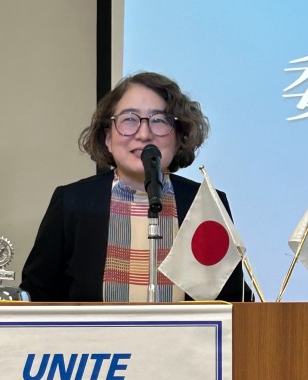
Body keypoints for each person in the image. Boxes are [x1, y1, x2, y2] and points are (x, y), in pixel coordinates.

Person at [20, 71, 254, 303]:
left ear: (179, 137)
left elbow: (234, 304)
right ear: (108, 137)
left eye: (159, 120)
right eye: (129, 119)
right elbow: (36, 297)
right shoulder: (72, 202)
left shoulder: (205, 204)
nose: (144, 134)